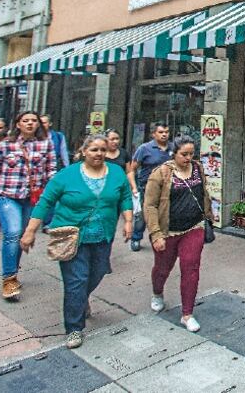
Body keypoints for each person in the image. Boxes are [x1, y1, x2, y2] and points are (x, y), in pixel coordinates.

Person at [20, 134, 133, 349]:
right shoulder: (67, 175)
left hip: (102, 235)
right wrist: (30, 231)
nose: (99, 154)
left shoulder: (116, 173)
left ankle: (81, 300)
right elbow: (45, 203)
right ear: (83, 152)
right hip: (72, 236)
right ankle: (74, 328)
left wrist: (128, 221)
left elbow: (125, 196)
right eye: (94, 150)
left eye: (102, 150)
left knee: (98, 272)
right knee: (77, 281)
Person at [0, 111, 57, 300]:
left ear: (38, 125)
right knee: (12, 233)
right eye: (25, 120)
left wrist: (54, 195)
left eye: (33, 121)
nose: (30, 123)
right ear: (18, 124)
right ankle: (9, 279)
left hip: (32, 198)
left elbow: (51, 172)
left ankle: (13, 272)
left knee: (21, 235)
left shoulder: (46, 144)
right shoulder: (5, 145)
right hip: (7, 197)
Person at [143, 136, 212, 333]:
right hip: (168, 231)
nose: (188, 158)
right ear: (174, 153)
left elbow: (203, 193)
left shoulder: (198, 168)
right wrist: (156, 234)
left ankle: (187, 313)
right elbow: (150, 205)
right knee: (163, 268)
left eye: (191, 154)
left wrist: (208, 214)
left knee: (191, 268)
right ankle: (157, 292)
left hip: (193, 227)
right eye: (184, 154)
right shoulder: (161, 174)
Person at [128, 123, 173, 251]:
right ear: (154, 134)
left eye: (166, 131)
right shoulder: (144, 148)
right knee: (143, 216)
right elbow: (132, 169)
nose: (164, 134)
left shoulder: (172, 148)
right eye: (161, 132)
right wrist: (134, 187)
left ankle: (162, 238)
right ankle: (136, 238)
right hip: (147, 187)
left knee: (165, 214)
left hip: (167, 187)